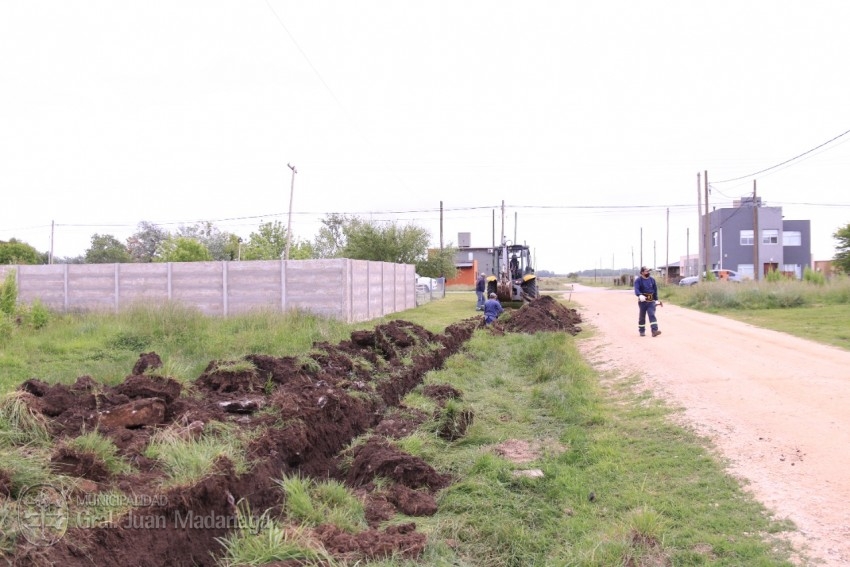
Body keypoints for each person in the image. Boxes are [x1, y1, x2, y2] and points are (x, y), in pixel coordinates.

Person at [634, 266, 661, 337]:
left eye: (648, 271)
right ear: (642, 272)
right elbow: (636, 289)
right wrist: (639, 295)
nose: (648, 272)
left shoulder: (652, 280)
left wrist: (656, 300)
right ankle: (641, 330)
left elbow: (655, 290)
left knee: (652, 314)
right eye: (646, 271)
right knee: (642, 316)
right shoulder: (638, 280)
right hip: (642, 301)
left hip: (651, 301)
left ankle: (654, 331)